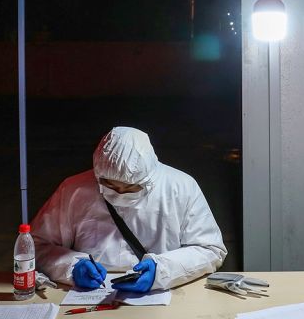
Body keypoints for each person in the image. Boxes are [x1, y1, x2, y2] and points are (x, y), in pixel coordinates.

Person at [31, 126, 227, 293]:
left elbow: (210, 249)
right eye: (110, 185)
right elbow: (37, 245)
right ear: (98, 173)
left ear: (150, 177)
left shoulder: (181, 187)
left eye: (132, 188)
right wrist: (71, 266)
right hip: (93, 293)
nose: (120, 194)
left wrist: (163, 271)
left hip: (165, 292)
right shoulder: (74, 189)